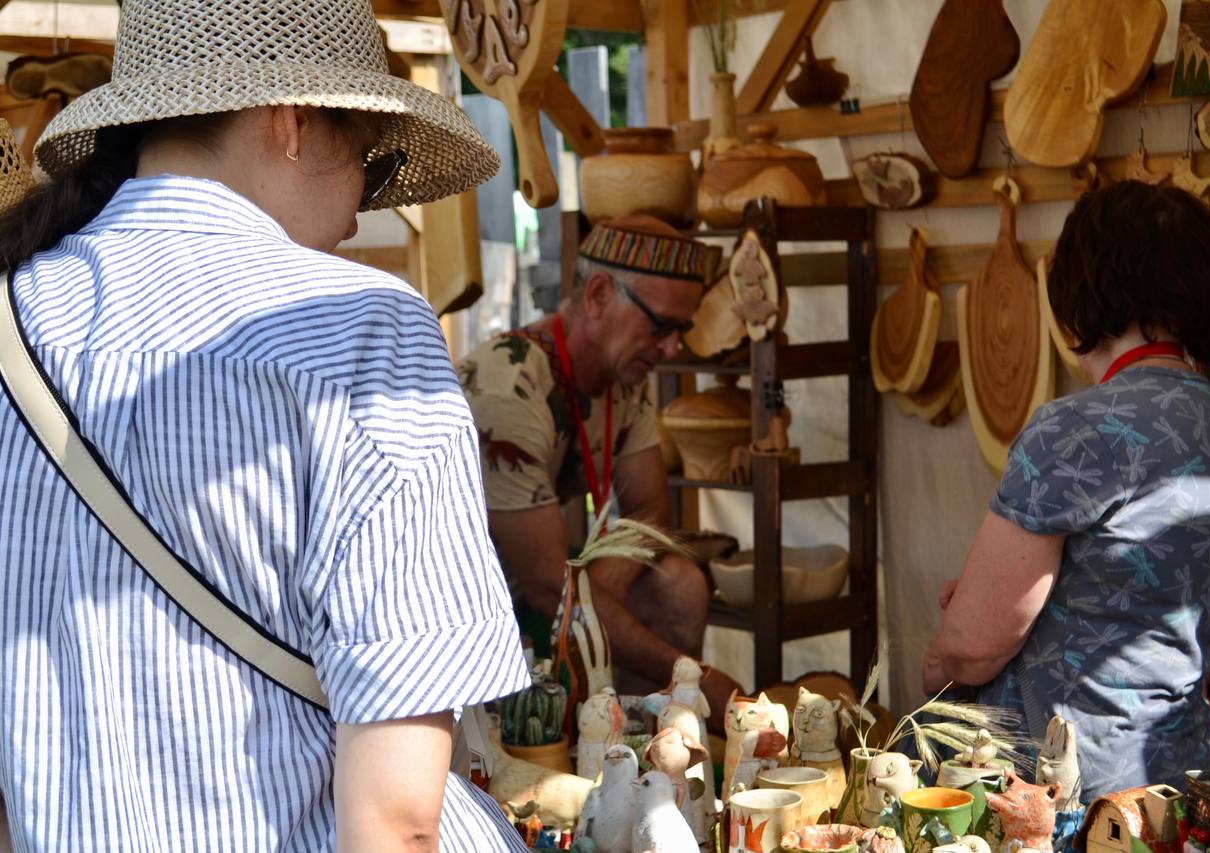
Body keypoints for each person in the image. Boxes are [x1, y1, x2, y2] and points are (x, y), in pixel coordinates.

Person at [0, 2, 530, 851]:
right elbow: (393, 822)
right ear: (289, 120)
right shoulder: (363, 327)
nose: (366, 208)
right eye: (374, 158)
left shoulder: (13, 316)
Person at [922, 181, 1210, 802]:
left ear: (1078, 292)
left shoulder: (1073, 429)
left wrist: (941, 661)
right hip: (1180, 779)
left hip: (1062, 793)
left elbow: (974, 648)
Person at [457, 215, 744, 728]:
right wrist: (691, 674)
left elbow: (651, 509)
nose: (672, 348)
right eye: (660, 327)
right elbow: (547, 583)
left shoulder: (623, 375)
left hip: (542, 574)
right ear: (597, 296)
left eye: (682, 330)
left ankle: (645, 750)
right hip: (473, 597)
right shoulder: (508, 389)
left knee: (679, 585)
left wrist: (599, 592)